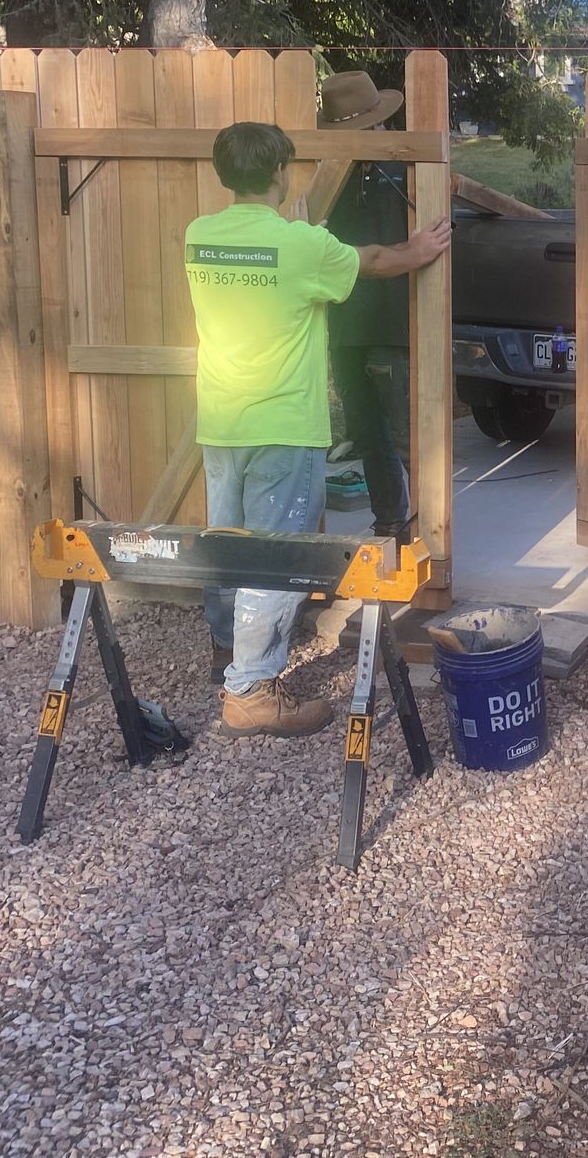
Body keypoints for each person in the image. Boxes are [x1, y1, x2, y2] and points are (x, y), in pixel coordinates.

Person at [189, 120, 451, 738]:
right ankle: (250, 691)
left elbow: (264, 259)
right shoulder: (302, 245)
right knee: (277, 556)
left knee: (227, 542)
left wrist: (297, 228)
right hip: (282, 424)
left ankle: (230, 650)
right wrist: (422, 248)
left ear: (224, 175)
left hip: (220, 423)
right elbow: (377, 259)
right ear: (280, 172)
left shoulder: (199, 237)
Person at [317, 71, 414, 540]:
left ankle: (424, 535)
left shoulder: (407, 169)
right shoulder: (321, 175)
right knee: (370, 433)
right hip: (347, 323)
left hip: (390, 324)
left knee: (404, 436)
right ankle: (391, 525)